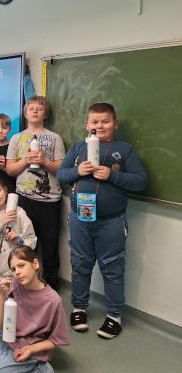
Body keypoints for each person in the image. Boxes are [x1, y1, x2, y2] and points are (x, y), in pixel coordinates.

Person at [56, 102, 148, 339]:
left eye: (105, 121)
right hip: (80, 219)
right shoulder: (78, 147)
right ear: (87, 124)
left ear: (115, 124)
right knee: (80, 264)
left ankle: (114, 315)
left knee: (112, 268)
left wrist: (112, 175)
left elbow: (140, 181)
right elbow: (61, 175)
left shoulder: (124, 149)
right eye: (94, 121)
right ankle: (79, 308)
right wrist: (78, 171)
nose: (100, 126)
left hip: (111, 222)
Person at [0, 246, 69, 373]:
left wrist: (31, 350)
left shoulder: (53, 300)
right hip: (4, 340)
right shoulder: (13, 286)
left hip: (28, 348)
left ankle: (41, 367)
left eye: (21, 265)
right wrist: (1, 294)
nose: (17, 272)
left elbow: (57, 340)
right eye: (13, 269)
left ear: (35, 264)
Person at [6, 96, 65, 291]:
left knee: (50, 245)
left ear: (45, 114)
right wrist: (25, 161)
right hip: (24, 198)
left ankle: (51, 288)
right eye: (31, 108)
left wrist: (44, 161)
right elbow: (10, 170)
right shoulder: (17, 138)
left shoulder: (55, 138)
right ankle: (24, 284)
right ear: (25, 113)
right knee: (24, 244)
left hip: (50, 200)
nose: (35, 111)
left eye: (39, 109)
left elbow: (61, 169)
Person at [0, 177, 37, 280]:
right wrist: (0, 223)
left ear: (5, 190)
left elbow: (32, 241)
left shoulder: (19, 212)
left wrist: (19, 240)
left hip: (17, 274)